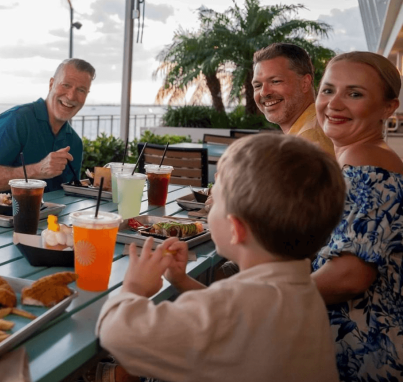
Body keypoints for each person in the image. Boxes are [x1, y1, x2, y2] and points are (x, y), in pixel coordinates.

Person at [97, 134, 344, 382]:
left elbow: (116, 333)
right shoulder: (304, 292)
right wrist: (182, 281)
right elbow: (231, 315)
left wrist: (135, 287)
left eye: (214, 202)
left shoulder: (229, 309)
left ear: (235, 229)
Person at [310, 52, 403, 381]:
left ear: (388, 107)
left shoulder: (366, 162)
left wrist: (261, 298)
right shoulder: (362, 157)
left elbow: (350, 276)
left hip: (363, 358)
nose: (334, 104)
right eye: (328, 90)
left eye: (354, 93)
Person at [0, 58, 95, 193]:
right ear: (51, 84)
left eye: (81, 90)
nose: (71, 96)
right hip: (6, 207)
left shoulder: (75, 142)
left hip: (52, 208)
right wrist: (38, 170)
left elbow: (70, 194)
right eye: (66, 85)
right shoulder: (17, 119)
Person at [252, 42, 334, 155]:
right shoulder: (317, 127)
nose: (264, 92)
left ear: (305, 83)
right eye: (257, 85)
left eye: (275, 81)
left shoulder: (308, 142)